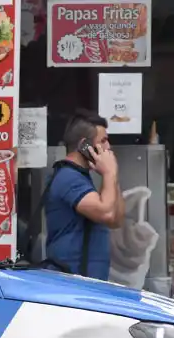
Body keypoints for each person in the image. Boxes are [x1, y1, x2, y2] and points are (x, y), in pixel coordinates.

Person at [44, 110, 125, 280]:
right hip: (72, 282)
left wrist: (112, 176)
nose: (108, 147)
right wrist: (110, 173)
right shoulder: (68, 177)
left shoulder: (81, 176)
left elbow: (115, 219)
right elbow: (106, 212)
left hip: (88, 281)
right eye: (103, 141)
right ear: (84, 145)